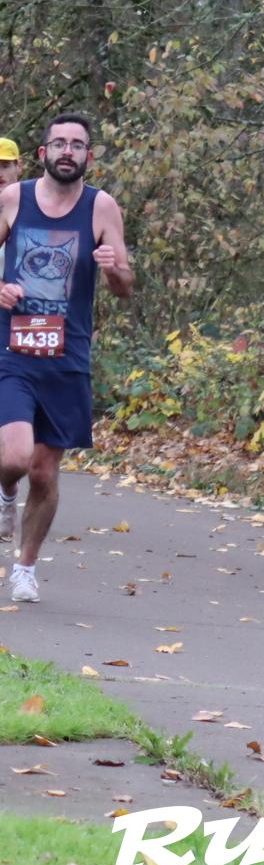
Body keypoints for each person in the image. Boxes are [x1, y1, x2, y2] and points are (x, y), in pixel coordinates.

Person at [0, 115, 134, 601]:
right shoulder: (13, 199)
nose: (67, 151)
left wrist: (113, 269)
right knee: (15, 457)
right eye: (58, 143)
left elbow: (124, 286)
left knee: (44, 471)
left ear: (88, 156)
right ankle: (5, 493)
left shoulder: (102, 207)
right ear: (43, 153)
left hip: (67, 354)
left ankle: (26, 567)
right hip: (13, 349)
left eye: (77, 145)